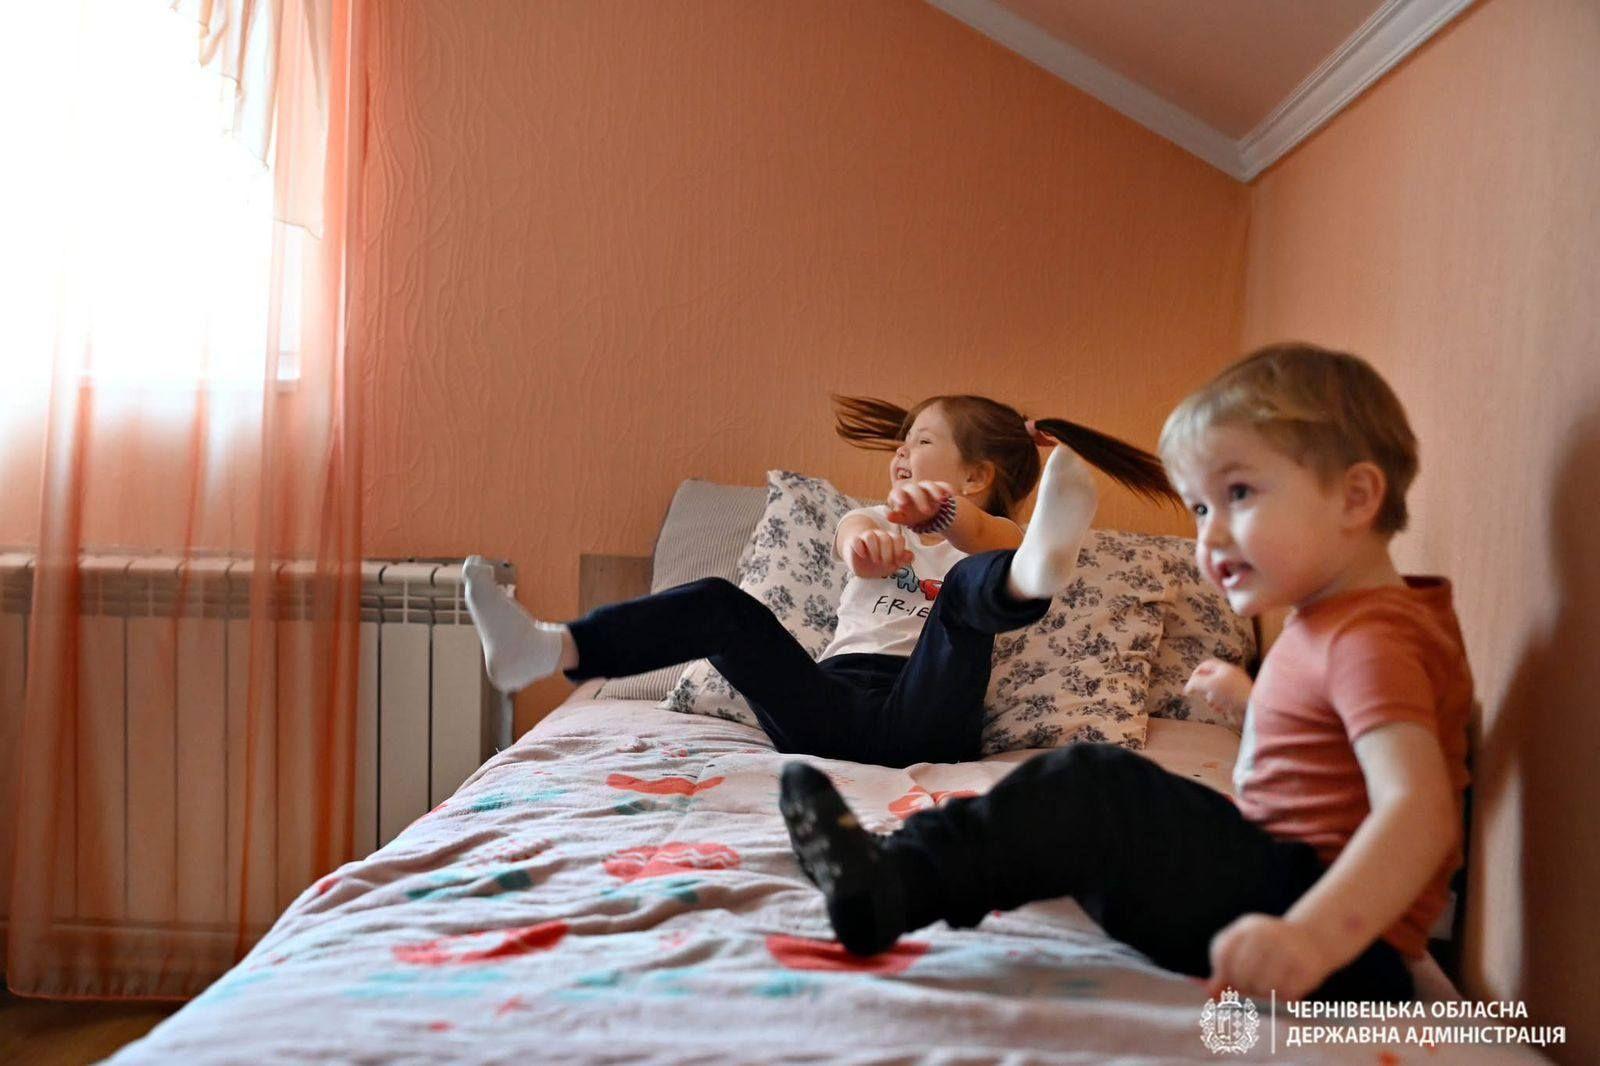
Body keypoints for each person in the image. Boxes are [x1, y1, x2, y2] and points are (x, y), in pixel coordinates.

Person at [779, 344, 1472, 1002]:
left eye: (1238, 494)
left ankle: (894, 882)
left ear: (1356, 497)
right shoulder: (1339, 624)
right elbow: (1329, 761)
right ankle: (894, 872)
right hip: (1289, 893)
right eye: (1200, 509)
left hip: (1337, 938)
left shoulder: (1371, 640)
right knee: (1074, 821)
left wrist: (1312, 940)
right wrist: (1252, 704)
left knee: (1095, 786)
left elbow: (1419, 812)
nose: (1209, 538)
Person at [460, 393, 1175, 767]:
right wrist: (869, 544)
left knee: (969, 588)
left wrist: (945, 514)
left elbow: (988, 538)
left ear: (975, 476)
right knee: (719, 603)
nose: (900, 453)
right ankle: (551, 648)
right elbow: (851, 538)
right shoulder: (875, 516)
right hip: (827, 707)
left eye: (921, 441)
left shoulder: (993, 540)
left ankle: (1040, 574)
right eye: (901, 442)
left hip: (926, 715)